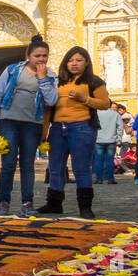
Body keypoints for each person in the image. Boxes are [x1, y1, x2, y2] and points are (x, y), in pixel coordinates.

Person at [0, 35, 57, 217]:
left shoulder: (51, 75)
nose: (41, 59)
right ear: (28, 55)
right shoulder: (12, 70)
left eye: (44, 56)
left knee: (27, 165)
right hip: (9, 120)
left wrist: (42, 79)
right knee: (8, 164)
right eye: (37, 56)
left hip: (33, 123)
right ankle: (4, 201)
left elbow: (52, 100)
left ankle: (27, 202)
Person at [40, 46, 111, 219]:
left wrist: (84, 99)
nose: (74, 64)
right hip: (58, 128)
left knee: (81, 168)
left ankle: (85, 207)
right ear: (65, 63)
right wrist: (43, 133)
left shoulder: (94, 81)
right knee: (55, 167)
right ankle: (54, 204)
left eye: (79, 60)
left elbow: (105, 103)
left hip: (82, 127)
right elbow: (49, 108)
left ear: (86, 63)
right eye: (70, 60)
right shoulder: (57, 81)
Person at [94, 103, 123, 185]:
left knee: (98, 160)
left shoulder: (96, 113)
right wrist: (119, 139)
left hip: (98, 140)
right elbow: (120, 127)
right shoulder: (115, 114)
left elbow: (92, 125)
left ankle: (99, 179)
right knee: (110, 160)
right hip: (111, 140)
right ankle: (110, 179)